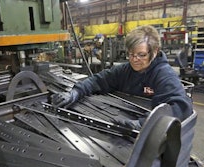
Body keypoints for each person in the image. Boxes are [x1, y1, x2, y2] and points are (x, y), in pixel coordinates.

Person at [51, 25, 193, 130]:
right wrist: (75, 92)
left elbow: (180, 107)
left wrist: (142, 124)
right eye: (131, 54)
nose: (134, 59)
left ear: (154, 52)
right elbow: (98, 80)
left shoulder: (164, 75)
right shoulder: (125, 70)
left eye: (141, 55)